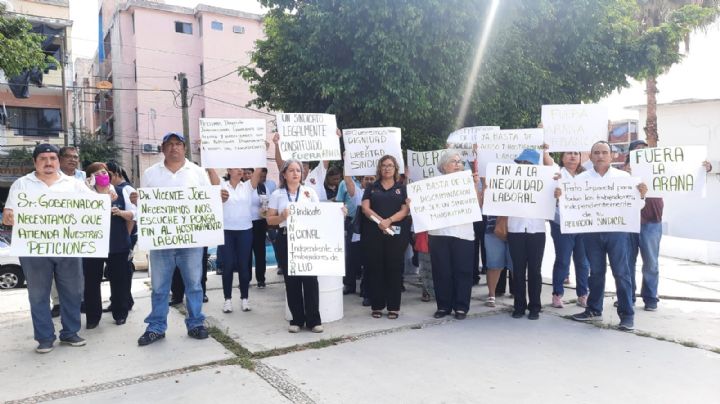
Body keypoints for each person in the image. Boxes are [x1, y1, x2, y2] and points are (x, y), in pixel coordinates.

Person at [3, 144, 92, 353]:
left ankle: (70, 333)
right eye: (43, 158)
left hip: (68, 247)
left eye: (52, 158)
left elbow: (93, 208)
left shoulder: (74, 184)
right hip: (34, 250)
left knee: (72, 292)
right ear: (35, 162)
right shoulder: (21, 185)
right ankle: (44, 337)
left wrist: (107, 195)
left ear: (58, 161)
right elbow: (9, 212)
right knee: (38, 294)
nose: (49, 162)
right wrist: (8, 215)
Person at [134, 132, 212, 346]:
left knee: (194, 285)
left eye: (178, 144)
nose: (174, 148)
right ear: (163, 148)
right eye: (170, 144)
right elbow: (144, 206)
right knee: (159, 287)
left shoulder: (197, 172)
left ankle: (196, 323)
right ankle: (156, 327)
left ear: (184, 148)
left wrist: (218, 198)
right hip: (161, 243)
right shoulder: (150, 173)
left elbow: (208, 203)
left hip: (191, 242)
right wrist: (137, 200)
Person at [561, 141, 648, 331]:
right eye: (596, 152)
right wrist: (561, 196)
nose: (600, 156)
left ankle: (627, 315)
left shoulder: (624, 178)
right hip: (592, 233)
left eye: (604, 152)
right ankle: (594, 309)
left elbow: (636, 207)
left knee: (622, 273)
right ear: (590, 157)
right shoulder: (580, 180)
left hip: (617, 233)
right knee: (596, 272)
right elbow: (572, 205)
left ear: (612, 156)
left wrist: (641, 196)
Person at [624, 139, 713, 311]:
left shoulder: (659, 167)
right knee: (627, 262)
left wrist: (704, 168)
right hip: (629, 222)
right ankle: (627, 297)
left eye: (645, 149)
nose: (642, 152)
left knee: (651, 263)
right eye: (638, 150)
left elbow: (684, 172)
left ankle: (650, 298)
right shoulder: (622, 173)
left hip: (652, 221)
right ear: (630, 154)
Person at [267, 159, 324, 333]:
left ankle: (314, 320)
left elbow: (321, 215)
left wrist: (339, 212)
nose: (295, 173)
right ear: (284, 174)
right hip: (286, 238)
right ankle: (297, 319)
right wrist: (282, 217)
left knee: (310, 280)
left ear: (302, 174)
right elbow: (270, 220)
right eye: (291, 170)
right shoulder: (277, 194)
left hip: (306, 239)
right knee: (291, 280)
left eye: (298, 170)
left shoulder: (309, 192)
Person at [426, 150, 478, 320]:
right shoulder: (432, 184)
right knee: (442, 271)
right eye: (453, 161)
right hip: (439, 233)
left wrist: (477, 187)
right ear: (443, 166)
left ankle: (461, 307)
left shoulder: (469, 183)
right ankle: (443, 306)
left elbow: (479, 205)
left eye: (460, 162)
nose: (458, 164)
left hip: (462, 233)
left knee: (463, 270)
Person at [82, 162, 134, 328]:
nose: (102, 175)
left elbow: (133, 215)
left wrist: (120, 213)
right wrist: (89, 191)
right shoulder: (85, 194)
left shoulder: (120, 191)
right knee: (91, 283)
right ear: (90, 178)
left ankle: (120, 313)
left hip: (118, 244)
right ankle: (92, 317)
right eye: (96, 173)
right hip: (93, 245)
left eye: (104, 172)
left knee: (119, 281)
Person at [361, 155, 410, 319]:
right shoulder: (371, 187)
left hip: (396, 233)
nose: (387, 168)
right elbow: (365, 208)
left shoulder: (402, 188)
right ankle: (377, 306)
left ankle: (393, 307)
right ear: (379, 169)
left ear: (396, 169)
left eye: (390, 165)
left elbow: (405, 210)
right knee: (376, 268)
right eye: (384, 166)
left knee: (394, 269)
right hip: (374, 233)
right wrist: (380, 222)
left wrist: (389, 221)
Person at [210, 167, 262, 313]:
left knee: (244, 266)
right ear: (229, 170)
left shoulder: (247, 186)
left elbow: (258, 171)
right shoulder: (221, 184)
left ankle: (244, 298)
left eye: (242, 168)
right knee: (227, 266)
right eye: (236, 168)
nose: (240, 171)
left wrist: (262, 151)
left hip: (245, 230)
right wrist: (204, 150)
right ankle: (227, 300)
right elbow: (211, 171)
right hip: (226, 231)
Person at [504, 149, 548, 320]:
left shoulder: (545, 183)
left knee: (535, 271)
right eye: (521, 163)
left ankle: (535, 307)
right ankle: (519, 306)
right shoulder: (509, 181)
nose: (524, 166)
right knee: (518, 270)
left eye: (528, 163)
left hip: (536, 230)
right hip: (515, 229)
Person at [550, 151, 590, 308]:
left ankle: (583, 294)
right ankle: (557, 294)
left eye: (576, 154)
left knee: (583, 261)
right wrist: (555, 194)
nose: (572, 157)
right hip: (561, 223)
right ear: (562, 157)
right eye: (569, 154)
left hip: (582, 224)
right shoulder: (556, 174)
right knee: (563, 259)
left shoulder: (588, 176)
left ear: (580, 157)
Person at [104, 160, 137, 313]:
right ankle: (119, 300)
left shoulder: (126, 189)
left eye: (107, 174)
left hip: (126, 237)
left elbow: (133, 217)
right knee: (115, 272)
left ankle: (125, 300)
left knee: (124, 272)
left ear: (115, 173)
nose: (104, 177)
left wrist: (127, 237)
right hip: (117, 239)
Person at [248, 167, 276, 289]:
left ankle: (261, 279)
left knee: (260, 253)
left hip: (259, 223)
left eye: (249, 173)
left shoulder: (262, 187)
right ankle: (246, 279)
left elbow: (269, 203)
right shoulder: (243, 188)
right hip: (246, 224)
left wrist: (265, 209)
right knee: (246, 254)